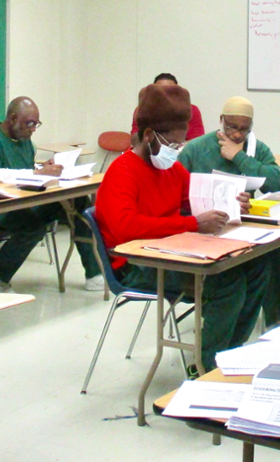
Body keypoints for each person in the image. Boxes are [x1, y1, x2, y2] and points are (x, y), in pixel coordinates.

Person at [96, 82, 268, 372]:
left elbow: (197, 193)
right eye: (172, 143)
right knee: (226, 282)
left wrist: (230, 201)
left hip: (171, 251)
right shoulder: (121, 172)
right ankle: (206, 368)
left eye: (181, 144)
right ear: (148, 135)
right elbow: (126, 228)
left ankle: (227, 354)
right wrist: (192, 223)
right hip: (136, 264)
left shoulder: (168, 168)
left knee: (257, 266)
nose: (177, 150)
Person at [179, 96, 280, 327]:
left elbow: (276, 183)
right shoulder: (198, 148)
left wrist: (239, 157)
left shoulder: (255, 148)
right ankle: (218, 315)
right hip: (204, 228)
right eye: (232, 127)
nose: (237, 135)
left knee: (272, 251)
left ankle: (275, 320)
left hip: (242, 225)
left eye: (244, 129)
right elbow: (175, 191)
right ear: (221, 121)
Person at [0, 96, 102, 292]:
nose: (33, 128)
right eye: (30, 124)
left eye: (36, 124)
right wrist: (36, 172)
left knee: (80, 204)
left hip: (28, 199)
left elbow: (25, 168)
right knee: (33, 227)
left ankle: (93, 273)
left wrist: (42, 167)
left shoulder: (24, 139)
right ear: (13, 118)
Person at [130, 73, 205, 141]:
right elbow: (135, 140)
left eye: (170, 91)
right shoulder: (142, 110)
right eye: (160, 90)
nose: (165, 95)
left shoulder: (191, 110)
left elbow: (197, 141)